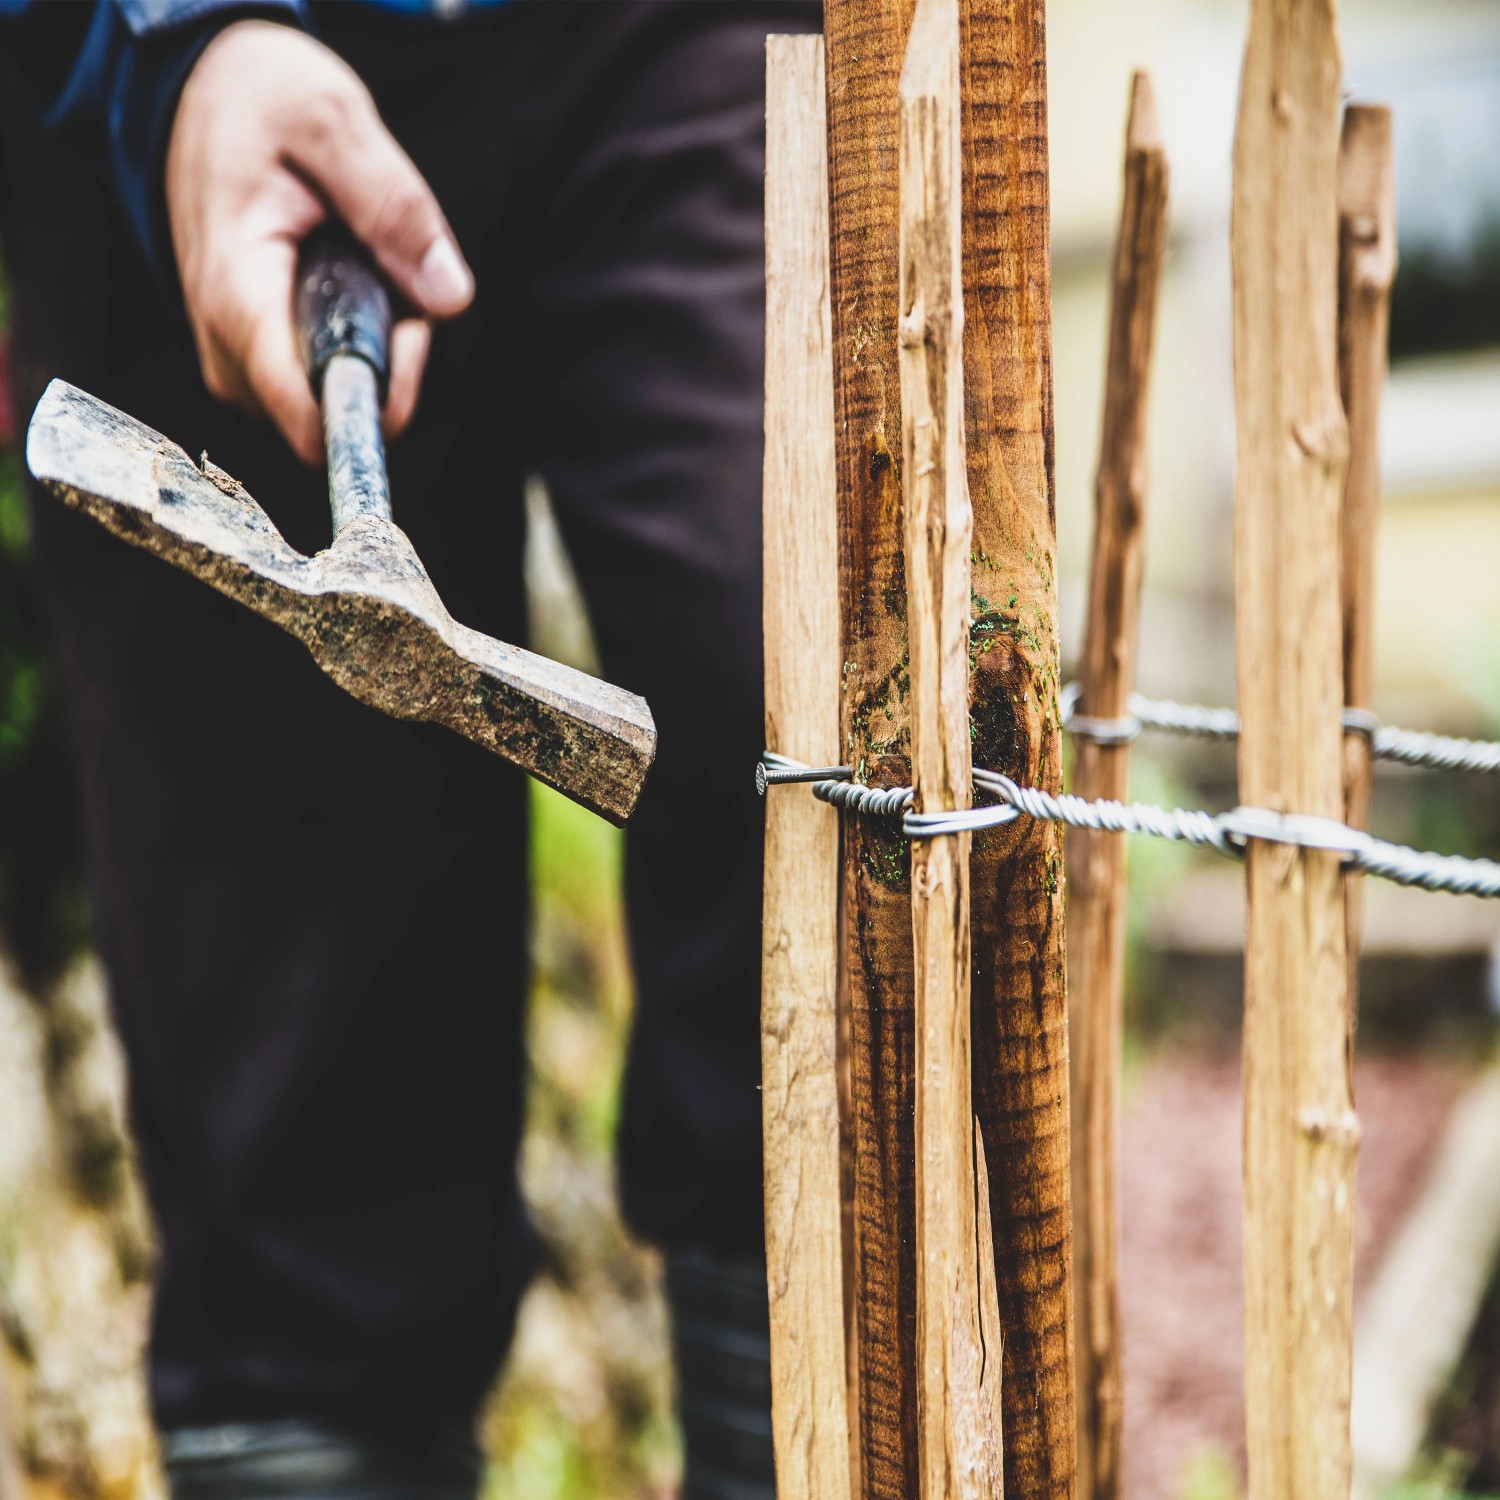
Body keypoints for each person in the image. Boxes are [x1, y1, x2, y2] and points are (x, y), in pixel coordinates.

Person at [0, 2, 817, 1495]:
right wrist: (176, 43)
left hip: (675, 39)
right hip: (168, 87)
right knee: (302, 1123)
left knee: (804, 722)